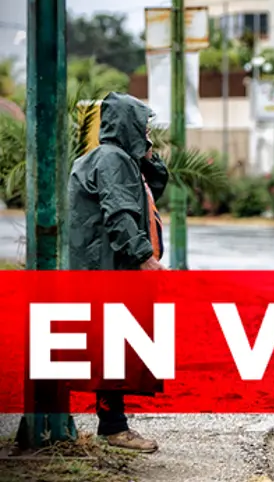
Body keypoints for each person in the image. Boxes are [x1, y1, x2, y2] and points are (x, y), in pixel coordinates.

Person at [67, 92, 167, 453]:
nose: (148, 132)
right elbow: (120, 213)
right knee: (112, 348)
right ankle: (113, 428)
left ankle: (108, 425)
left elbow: (144, 198)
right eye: (143, 125)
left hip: (101, 268)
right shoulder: (113, 160)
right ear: (129, 125)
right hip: (110, 269)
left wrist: (148, 159)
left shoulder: (112, 158)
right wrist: (144, 258)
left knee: (107, 347)